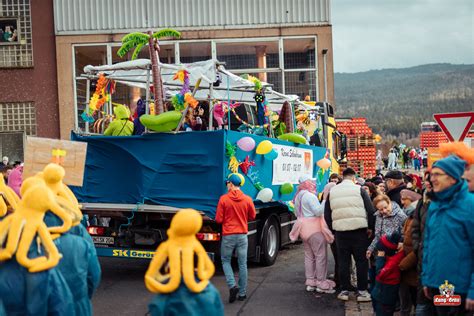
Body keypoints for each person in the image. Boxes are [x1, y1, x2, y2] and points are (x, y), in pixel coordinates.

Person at [422, 155, 474, 315]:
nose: (432, 179)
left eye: (438, 175)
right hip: (438, 286)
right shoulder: (435, 205)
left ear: (452, 178)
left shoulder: (470, 205)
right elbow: (428, 245)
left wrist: (473, 291)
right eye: (432, 175)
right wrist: (427, 279)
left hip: (462, 288)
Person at [324, 168, 376, 302]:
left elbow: (327, 214)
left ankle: (345, 290)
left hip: (341, 233)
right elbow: (370, 210)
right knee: (361, 262)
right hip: (359, 231)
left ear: (343, 177)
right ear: (354, 178)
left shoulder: (333, 191)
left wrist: (333, 229)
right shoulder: (360, 190)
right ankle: (362, 291)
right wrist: (370, 227)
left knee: (343, 262)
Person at [43, 213, 101, 316]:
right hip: (77, 304)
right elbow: (94, 275)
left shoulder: (30, 244)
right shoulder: (81, 243)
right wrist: (84, 296)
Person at [290, 175, 335, 294]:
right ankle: (321, 283)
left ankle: (310, 282)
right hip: (314, 228)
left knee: (309, 256)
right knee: (321, 256)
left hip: (303, 228)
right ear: (308, 183)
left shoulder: (298, 196)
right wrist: (324, 199)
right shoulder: (310, 196)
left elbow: (296, 212)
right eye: (312, 182)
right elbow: (319, 211)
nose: (314, 184)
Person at [215, 174, 256, 303]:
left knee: (226, 260)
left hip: (228, 235)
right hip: (242, 235)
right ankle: (242, 294)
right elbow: (252, 216)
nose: (227, 185)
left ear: (231, 184)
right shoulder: (248, 199)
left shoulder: (224, 199)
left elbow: (219, 219)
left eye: (228, 183)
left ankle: (232, 286)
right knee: (242, 264)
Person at [411, 171, 434, 315]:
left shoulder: (449, 202)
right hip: (423, 259)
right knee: (423, 302)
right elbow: (415, 227)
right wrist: (418, 246)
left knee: (445, 302)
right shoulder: (423, 201)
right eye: (426, 180)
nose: (428, 183)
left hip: (445, 266)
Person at [398, 189, 421, 316]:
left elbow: (421, 245)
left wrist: (405, 262)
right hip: (407, 266)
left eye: (404, 199)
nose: (402, 202)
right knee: (407, 301)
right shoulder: (409, 217)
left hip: (413, 265)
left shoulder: (417, 218)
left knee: (419, 304)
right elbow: (405, 237)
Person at [371, 232, 405, 316]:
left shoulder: (393, 261)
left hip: (386, 292)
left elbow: (380, 273)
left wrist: (380, 257)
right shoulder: (392, 256)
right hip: (382, 291)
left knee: (384, 311)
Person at [366, 194, 406, 261]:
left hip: (394, 253)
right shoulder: (378, 216)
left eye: (386, 207)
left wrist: (401, 242)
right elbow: (377, 235)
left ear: (389, 202)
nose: (384, 211)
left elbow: (406, 233)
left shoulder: (400, 215)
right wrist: (370, 249)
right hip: (380, 252)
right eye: (381, 209)